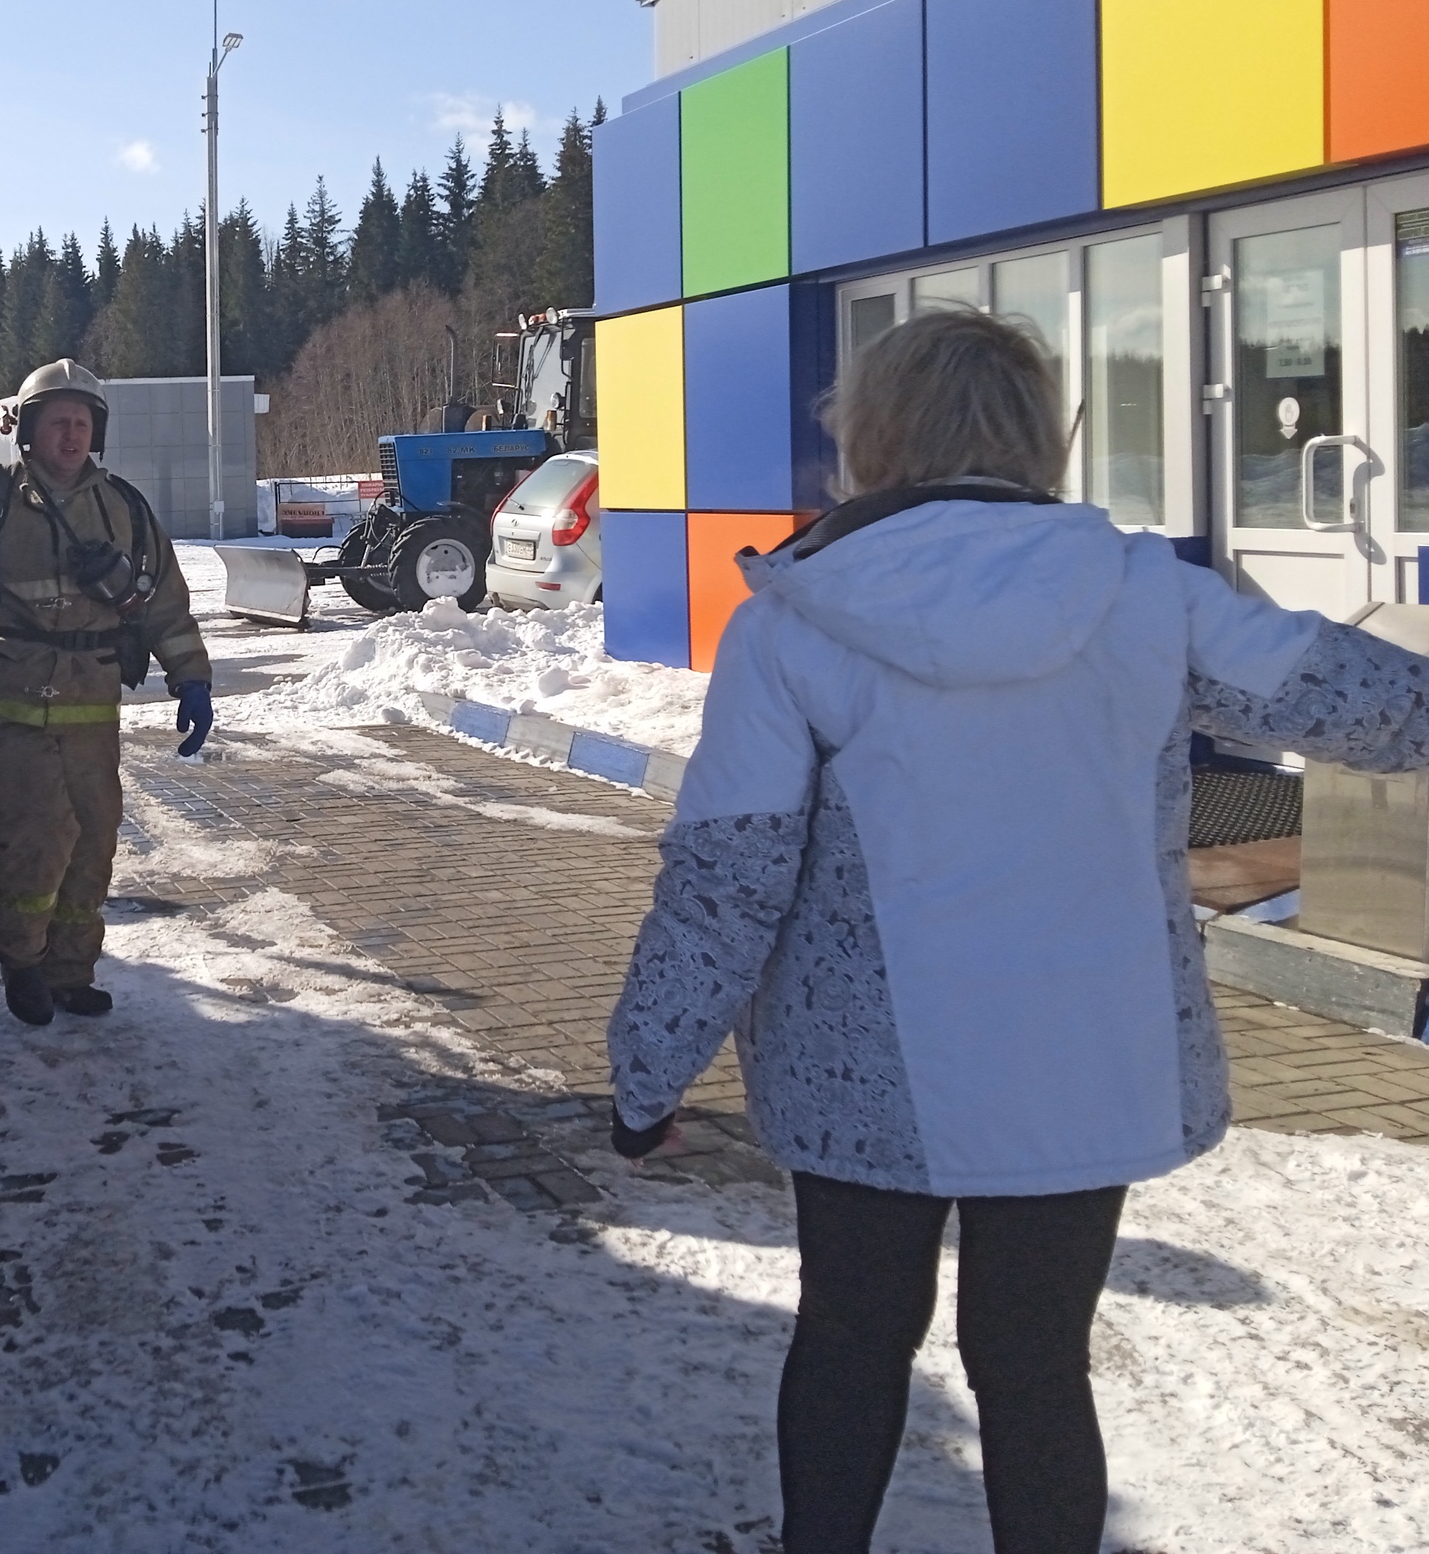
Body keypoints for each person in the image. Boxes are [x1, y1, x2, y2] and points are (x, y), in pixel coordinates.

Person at [604, 309, 1429, 1554]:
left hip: (863, 1083)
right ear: (1040, 435)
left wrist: (646, 1073)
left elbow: (730, 876)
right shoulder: (1149, 593)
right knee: (1037, 1371)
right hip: (1084, 1065)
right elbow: (1381, 711)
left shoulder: (797, 618)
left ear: (869, 434)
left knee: (847, 1344)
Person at [0, 359, 213, 1025]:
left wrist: (192, 678)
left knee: (94, 836)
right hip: (9, 696)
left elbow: (166, 608)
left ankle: (70, 968)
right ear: (28, 429)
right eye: (57, 422)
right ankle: (21, 959)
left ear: (98, 432)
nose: (70, 435)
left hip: (91, 702)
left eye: (82, 423)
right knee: (37, 831)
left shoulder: (123, 508)